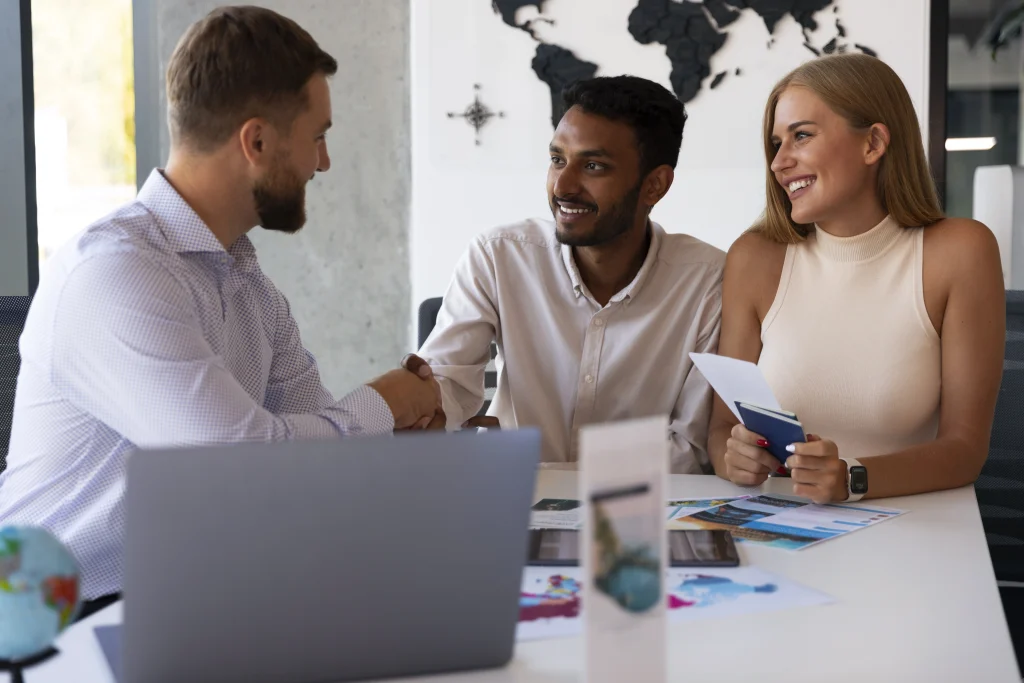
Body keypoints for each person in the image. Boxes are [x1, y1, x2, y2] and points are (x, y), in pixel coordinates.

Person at [0, 6, 440, 611]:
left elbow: (306, 460)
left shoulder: (248, 282)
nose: (324, 163)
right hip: (61, 625)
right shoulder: (115, 274)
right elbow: (241, 468)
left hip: (189, 599)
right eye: (318, 137)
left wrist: (392, 439)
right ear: (256, 141)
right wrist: (386, 403)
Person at [709, 53, 1004, 503]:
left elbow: (965, 450)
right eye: (776, 144)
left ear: (873, 144)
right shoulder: (754, 257)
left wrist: (852, 478)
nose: (779, 163)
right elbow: (721, 428)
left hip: (913, 529)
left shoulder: (960, 252)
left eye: (801, 136)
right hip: (783, 529)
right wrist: (732, 457)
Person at [417, 75, 725, 472]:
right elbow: (446, 384)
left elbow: (692, 447)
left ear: (654, 186)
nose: (562, 186)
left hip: (636, 520)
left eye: (593, 166)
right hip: (511, 511)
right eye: (558, 159)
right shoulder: (499, 256)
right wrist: (423, 407)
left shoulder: (707, 282)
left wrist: (543, 473)